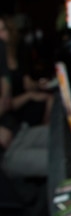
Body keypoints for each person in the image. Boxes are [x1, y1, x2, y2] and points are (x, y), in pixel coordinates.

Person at [0, 16, 49, 179]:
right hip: (8, 152)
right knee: (57, 161)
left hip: (20, 131)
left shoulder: (11, 56)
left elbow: (6, 102)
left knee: (64, 140)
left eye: (3, 30)